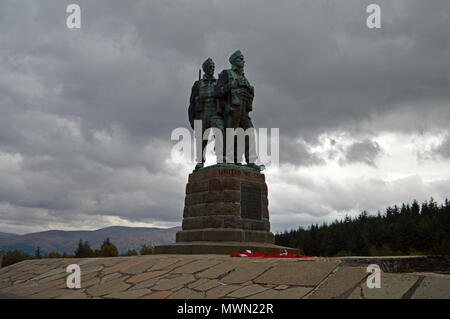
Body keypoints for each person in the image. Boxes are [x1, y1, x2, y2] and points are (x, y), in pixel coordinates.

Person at [216, 50, 261, 170]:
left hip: (243, 110)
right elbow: (218, 91)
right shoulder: (226, 74)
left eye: (243, 59)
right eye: (241, 59)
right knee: (230, 133)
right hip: (232, 108)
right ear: (235, 61)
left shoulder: (244, 77)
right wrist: (231, 85)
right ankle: (228, 157)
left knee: (249, 131)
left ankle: (251, 161)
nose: (243, 61)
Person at [188, 58, 224, 171]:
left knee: (220, 132)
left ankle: (220, 156)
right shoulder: (197, 84)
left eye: (213, 67)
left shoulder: (218, 82)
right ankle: (200, 161)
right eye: (209, 67)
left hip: (215, 112)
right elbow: (192, 104)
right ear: (204, 69)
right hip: (202, 113)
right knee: (201, 139)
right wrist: (192, 120)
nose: (212, 69)